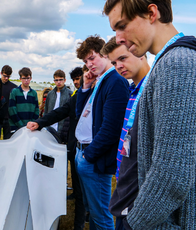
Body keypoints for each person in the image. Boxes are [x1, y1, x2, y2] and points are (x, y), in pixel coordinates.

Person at [104, 0, 196, 229]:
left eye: (122, 25)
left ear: (151, 13)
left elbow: (172, 176)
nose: (118, 38)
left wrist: (135, 223)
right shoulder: (172, 62)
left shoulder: (180, 64)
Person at [74, 35, 129, 230]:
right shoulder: (99, 81)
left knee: (101, 217)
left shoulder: (115, 82)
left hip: (95, 159)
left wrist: (88, 156)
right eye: (85, 61)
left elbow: (111, 129)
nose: (89, 65)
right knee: (94, 213)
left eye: (92, 58)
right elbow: (80, 114)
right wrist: (86, 87)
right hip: (86, 154)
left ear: (105, 54)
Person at [27, 68, 89, 230]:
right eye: (74, 79)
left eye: (79, 78)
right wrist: (40, 122)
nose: (77, 82)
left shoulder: (93, 95)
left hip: (90, 151)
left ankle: (84, 219)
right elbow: (59, 112)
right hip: (74, 146)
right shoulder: (76, 96)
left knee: (87, 189)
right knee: (78, 186)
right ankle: (79, 223)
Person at [101, 36, 150, 230]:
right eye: (114, 63)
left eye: (122, 58)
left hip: (139, 191)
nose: (118, 66)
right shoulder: (133, 90)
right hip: (126, 181)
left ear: (140, 53)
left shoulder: (150, 90)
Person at [44, 69, 72, 141]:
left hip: (63, 130)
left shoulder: (70, 94)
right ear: (54, 81)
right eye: (56, 80)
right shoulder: (50, 94)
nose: (58, 82)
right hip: (49, 130)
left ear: (65, 80)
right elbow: (46, 111)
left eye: (60, 79)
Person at [8, 67, 39, 132]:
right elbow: (12, 110)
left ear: (31, 78)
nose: (26, 80)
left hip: (30, 128)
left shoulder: (34, 93)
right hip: (16, 127)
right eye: (24, 78)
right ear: (20, 79)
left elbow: (36, 110)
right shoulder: (14, 92)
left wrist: (31, 124)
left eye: (28, 78)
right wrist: (21, 125)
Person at [0, 65, 17, 139]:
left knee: (7, 140)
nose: (6, 78)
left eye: (8, 76)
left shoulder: (14, 88)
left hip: (9, 118)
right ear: (1, 73)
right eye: (5, 76)